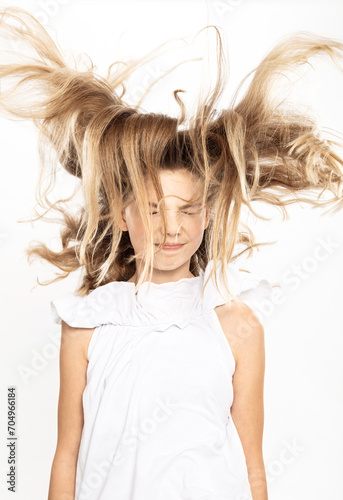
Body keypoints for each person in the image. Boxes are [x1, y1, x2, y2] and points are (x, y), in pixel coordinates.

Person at [0, 6, 342, 500]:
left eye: (188, 208)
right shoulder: (87, 325)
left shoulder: (237, 325)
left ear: (207, 215)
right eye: (153, 209)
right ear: (123, 216)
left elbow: (252, 466)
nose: (172, 227)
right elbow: (67, 455)